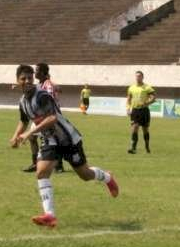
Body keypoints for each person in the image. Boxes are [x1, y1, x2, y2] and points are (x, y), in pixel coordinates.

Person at [10, 64, 119, 228]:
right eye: (23, 79)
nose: (27, 81)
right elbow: (24, 121)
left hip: (67, 138)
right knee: (41, 172)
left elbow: (52, 118)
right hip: (50, 140)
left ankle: (108, 177)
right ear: (18, 81)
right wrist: (15, 135)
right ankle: (50, 216)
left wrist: (30, 133)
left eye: (30, 78)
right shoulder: (23, 101)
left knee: (85, 174)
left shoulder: (42, 96)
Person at [23, 63, 64, 173]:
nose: (34, 72)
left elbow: (50, 96)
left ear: (42, 73)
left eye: (36, 70)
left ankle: (58, 165)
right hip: (40, 117)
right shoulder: (40, 84)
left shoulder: (48, 84)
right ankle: (36, 163)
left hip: (50, 116)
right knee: (32, 137)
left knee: (54, 139)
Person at [126, 71, 156, 154]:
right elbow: (128, 99)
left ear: (143, 77)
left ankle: (147, 146)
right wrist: (128, 108)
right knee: (134, 128)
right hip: (135, 111)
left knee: (145, 130)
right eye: (136, 76)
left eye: (139, 76)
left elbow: (153, 98)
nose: (137, 78)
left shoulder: (147, 87)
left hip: (144, 111)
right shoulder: (131, 88)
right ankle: (133, 148)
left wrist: (147, 103)